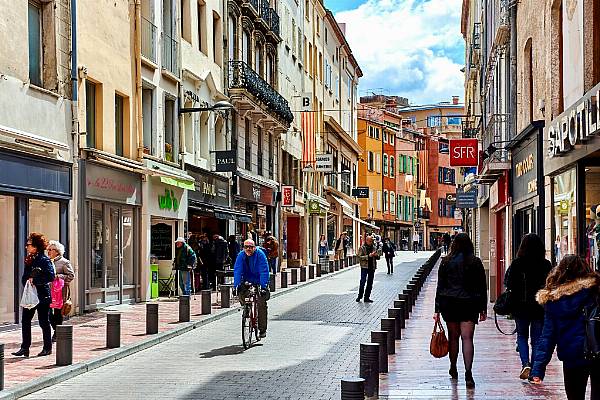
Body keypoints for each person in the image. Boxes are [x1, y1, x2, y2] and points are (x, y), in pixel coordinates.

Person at [530, 255, 600, 398]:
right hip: (597, 350)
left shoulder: (554, 301)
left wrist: (538, 368)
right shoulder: (595, 290)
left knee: (574, 396)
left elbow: (548, 336)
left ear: (559, 272)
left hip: (572, 355)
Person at [433, 233, 487, 388]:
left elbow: (440, 286)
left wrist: (436, 309)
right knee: (467, 338)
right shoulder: (475, 262)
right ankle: (468, 373)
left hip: (449, 303)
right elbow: (482, 287)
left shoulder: (446, 262)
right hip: (469, 303)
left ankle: (453, 367)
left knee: (453, 337)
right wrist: (483, 308)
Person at [504, 233, 552, 380]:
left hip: (520, 306)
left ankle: (526, 363)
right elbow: (550, 284)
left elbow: (508, 283)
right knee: (537, 339)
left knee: (522, 336)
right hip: (539, 306)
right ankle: (535, 371)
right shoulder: (546, 264)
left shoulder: (517, 263)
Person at [12, 233, 55, 357]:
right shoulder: (30, 258)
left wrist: (35, 281)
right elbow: (25, 276)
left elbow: (50, 276)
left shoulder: (44, 260)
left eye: (28, 245)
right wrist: (26, 281)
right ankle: (25, 348)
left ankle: (47, 348)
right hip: (30, 295)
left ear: (36, 246)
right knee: (25, 320)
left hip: (42, 295)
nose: (26, 247)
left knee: (43, 322)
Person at [233, 239, 270, 338]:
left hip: (259, 280)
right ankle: (247, 309)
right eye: (246, 247)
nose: (248, 249)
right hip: (247, 279)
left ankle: (262, 329)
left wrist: (263, 287)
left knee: (261, 303)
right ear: (243, 247)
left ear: (254, 247)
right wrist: (236, 285)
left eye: (251, 247)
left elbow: (264, 271)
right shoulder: (241, 255)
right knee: (241, 293)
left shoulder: (260, 255)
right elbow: (237, 270)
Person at [47, 240, 74, 342]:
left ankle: (57, 333)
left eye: (51, 250)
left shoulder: (64, 262)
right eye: (48, 250)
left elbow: (71, 275)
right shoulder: (48, 261)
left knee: (58, 312)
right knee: (48, 313)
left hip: (60, 292)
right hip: (48, 291)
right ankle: (56, 330)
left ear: (57, 251)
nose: (48, 251)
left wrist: (58, 276)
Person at [356, 235, 382, 303]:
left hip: (372, 267)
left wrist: (376, 255)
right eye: (370, 241)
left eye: (372, 241)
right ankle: (360, 296)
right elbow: (359, 257)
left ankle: (367, 297)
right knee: (362, 282)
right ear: (367, 240)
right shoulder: (362, 248)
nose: (371, 242)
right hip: (364, 267)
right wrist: (368, 256)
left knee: (370, 283)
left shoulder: (374, 247)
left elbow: (378, 257)